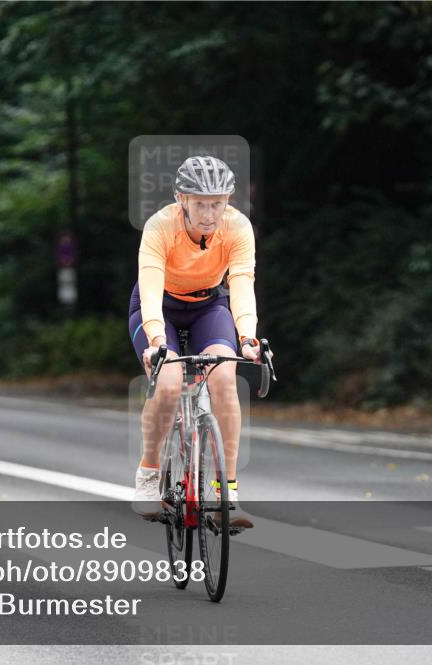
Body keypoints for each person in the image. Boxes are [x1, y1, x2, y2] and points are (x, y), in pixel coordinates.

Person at [129, 156, 266, 526]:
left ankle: (227, 495)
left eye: (218, 203)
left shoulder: (237, 228)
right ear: (181, 199)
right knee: (169, 384)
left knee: (224, 377)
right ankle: (149, 474)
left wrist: (248, 336)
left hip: (209, 305)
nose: (209, 213)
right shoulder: (160, 226)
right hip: (159, 307)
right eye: (200, 203)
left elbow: (241, 283)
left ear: (228, 201)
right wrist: (156, 339)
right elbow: (151, 287)